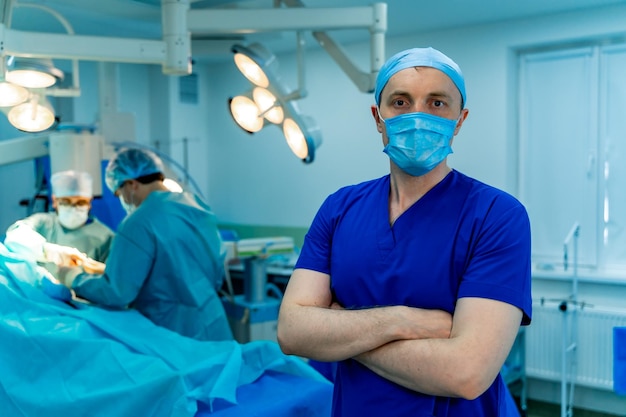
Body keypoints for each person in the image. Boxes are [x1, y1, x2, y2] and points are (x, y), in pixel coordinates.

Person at [276, 47, 532, 416]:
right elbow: (292, 331)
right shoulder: (339, 208)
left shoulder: (496, 216)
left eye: (437, 103)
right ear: (378, 118)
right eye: (400, 101)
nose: (417, 116)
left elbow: (466, 373)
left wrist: (340, 330)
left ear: (459, 120)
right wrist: (404, 320)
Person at [57, 147, 233, 342]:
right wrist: (106, 270)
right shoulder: (196, 205)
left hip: (173, 334)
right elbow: (197, 271)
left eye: (119, 194)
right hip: (213, 324)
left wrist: (73, 277)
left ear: (131, 185)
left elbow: (117, 293)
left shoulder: (138, 222)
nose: (122, 200)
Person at [4, 170, 114, 277]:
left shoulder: (106, 237)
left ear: (89, 202)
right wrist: (49, 252)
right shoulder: (43, 222)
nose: (73, 208)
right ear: (55, 201)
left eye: (80, 202)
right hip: (42, 293)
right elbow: (14, 237)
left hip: (82, 295)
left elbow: (113, 283)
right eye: (66, 202)